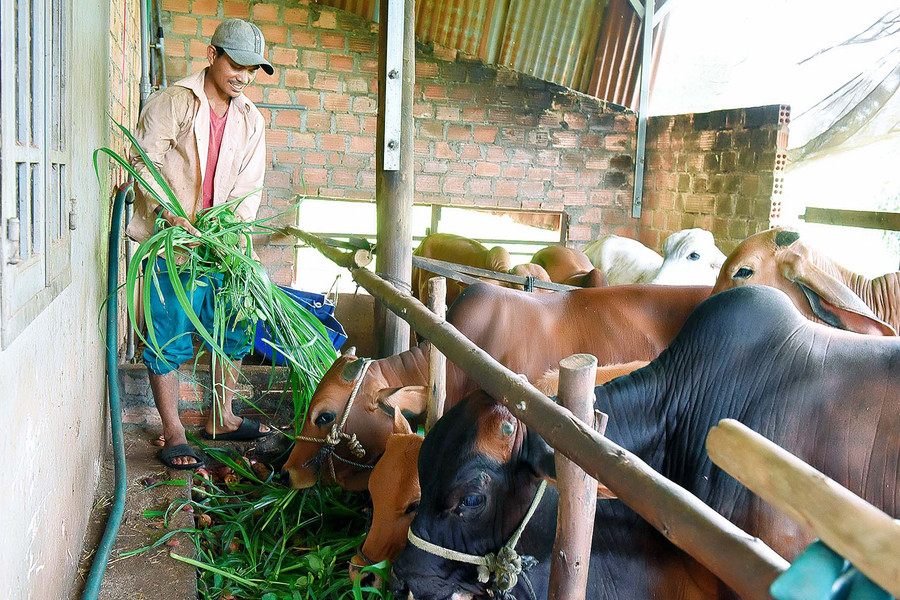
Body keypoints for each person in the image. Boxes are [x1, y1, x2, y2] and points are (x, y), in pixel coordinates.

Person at [126, 18, 275, 469]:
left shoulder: (251, 120)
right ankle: (173, 430)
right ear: (212, 56)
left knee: (230, 328)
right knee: (166, 331)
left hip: (221, 246)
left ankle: (221, 417)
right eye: (237, 65)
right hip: (171, 245)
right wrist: (166, 209)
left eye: (252, 70)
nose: (244, 78)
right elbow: (141, 162)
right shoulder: (173, 103)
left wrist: (229, 229)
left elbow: (250, 188)